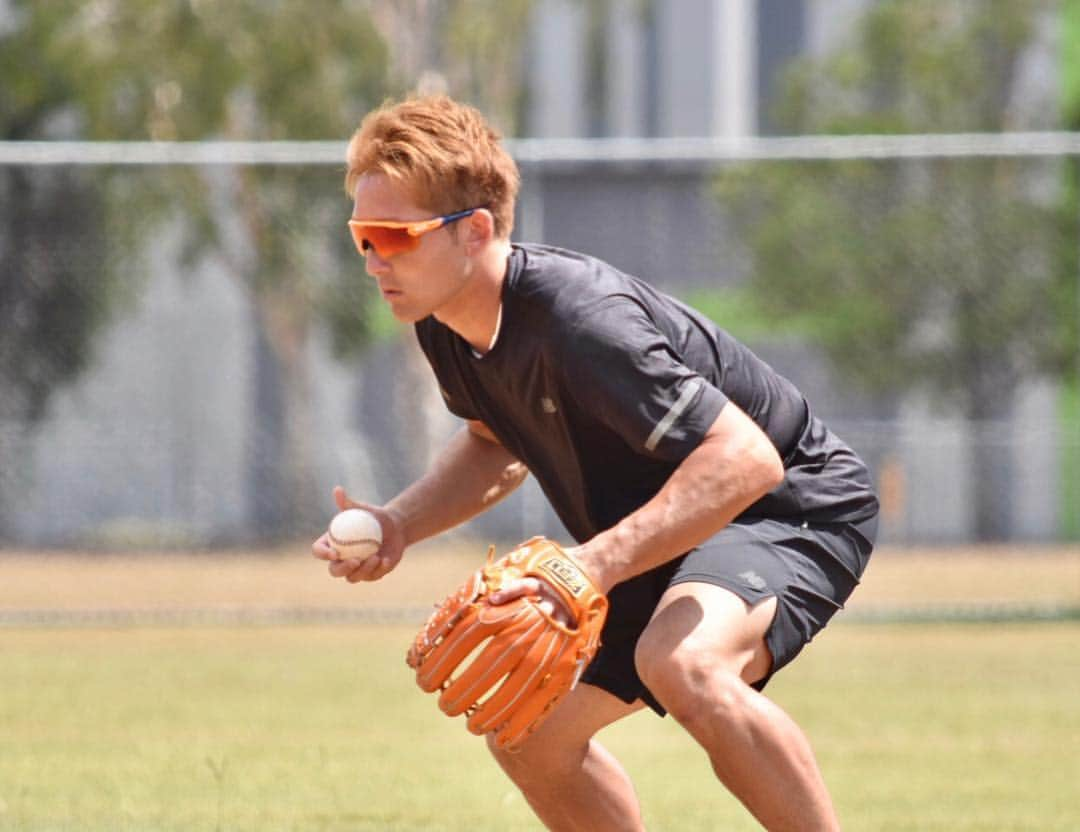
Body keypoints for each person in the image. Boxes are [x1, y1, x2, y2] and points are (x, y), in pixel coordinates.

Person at [311, 94, 879, 832]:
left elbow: (746, 460)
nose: (375, 260)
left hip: (788, 507)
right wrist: (398, 523)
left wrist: (589, 567)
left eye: (395, 235)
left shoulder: (582, 323)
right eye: (364, 237)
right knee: (525, 728)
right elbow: (494, 441)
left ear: (474, 231)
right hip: (666, 527)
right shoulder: (446, 323)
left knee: (686, 666)